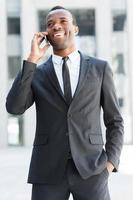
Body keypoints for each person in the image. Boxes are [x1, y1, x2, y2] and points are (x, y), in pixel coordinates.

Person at [6, 6, 124, 200]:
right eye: (50, 24)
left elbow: (115, 121)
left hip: (91, 169)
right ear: (46, 33)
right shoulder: (36, 73)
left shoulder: (100, 68)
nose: (56, 26)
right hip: (47, 170)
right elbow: (14, 107)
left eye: (63, 21)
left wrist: (110, 162)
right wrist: (32, 59)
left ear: (75, 29)